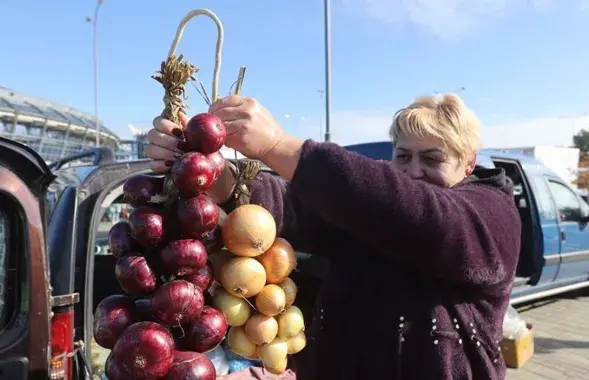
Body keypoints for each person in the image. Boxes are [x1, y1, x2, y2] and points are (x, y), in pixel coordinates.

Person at [145, 93, 521, 380]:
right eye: (403, 157)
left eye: (433, 158)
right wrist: (218, 177)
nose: (413, 172)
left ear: (468, 163)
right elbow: (293, 205)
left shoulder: (490, 214)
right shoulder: (367, 212)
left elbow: (418, 213)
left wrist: (277, 146)